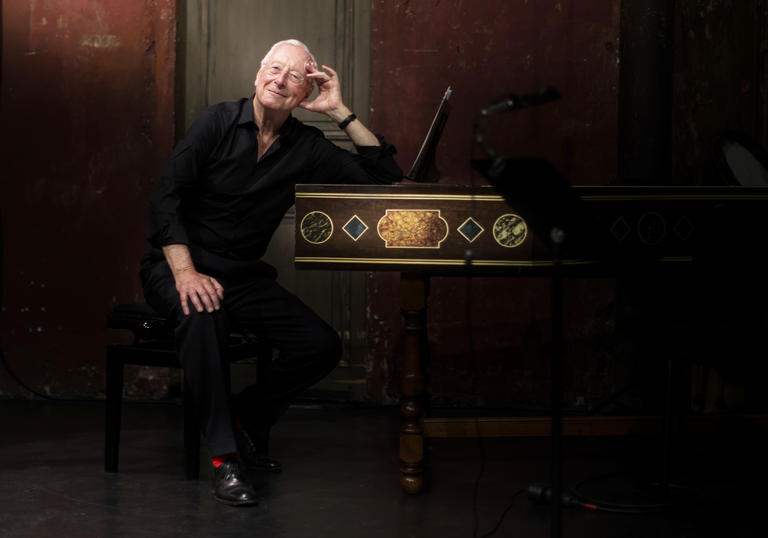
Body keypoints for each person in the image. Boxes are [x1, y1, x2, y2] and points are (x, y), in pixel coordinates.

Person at [139, 39, 403, 506]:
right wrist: (185, 273)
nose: (279, 80)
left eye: (294, 76)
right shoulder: (216, 122)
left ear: (304, 94)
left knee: (322, 345)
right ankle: (225, 459)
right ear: (258, 75)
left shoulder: (308, 146)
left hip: (241, 276)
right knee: (204, 316)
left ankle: (244, 420)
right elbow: (166, 199)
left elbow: (384, 178)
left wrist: (340, 111)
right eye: (273, 69)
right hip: (179, 265)